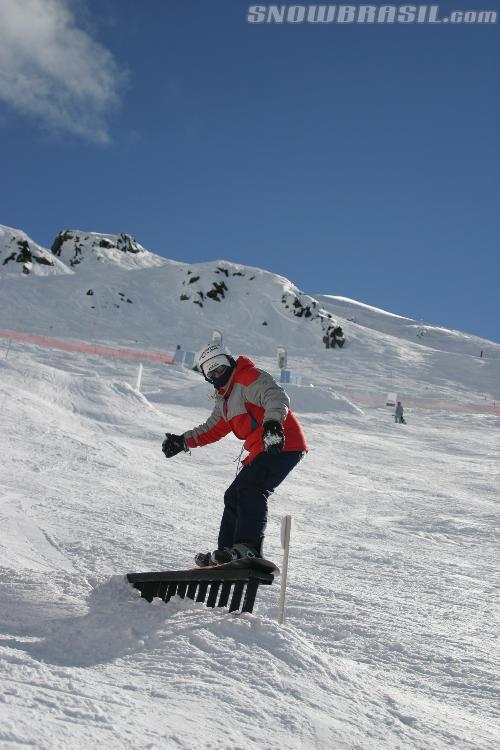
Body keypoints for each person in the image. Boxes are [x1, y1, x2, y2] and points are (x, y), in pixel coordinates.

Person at [161, 343, 308, 565]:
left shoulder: (247, 377)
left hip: (282, 441)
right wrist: (183, 441)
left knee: (251, 488)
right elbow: (213, 428)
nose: (217, 374)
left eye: (219, 367)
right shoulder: (225, 399)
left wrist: (272, 424)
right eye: (210, 372)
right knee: (233, 495)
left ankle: (248, 547)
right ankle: (227, 553)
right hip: (261, 448)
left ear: (229, 362)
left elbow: (275, 396)